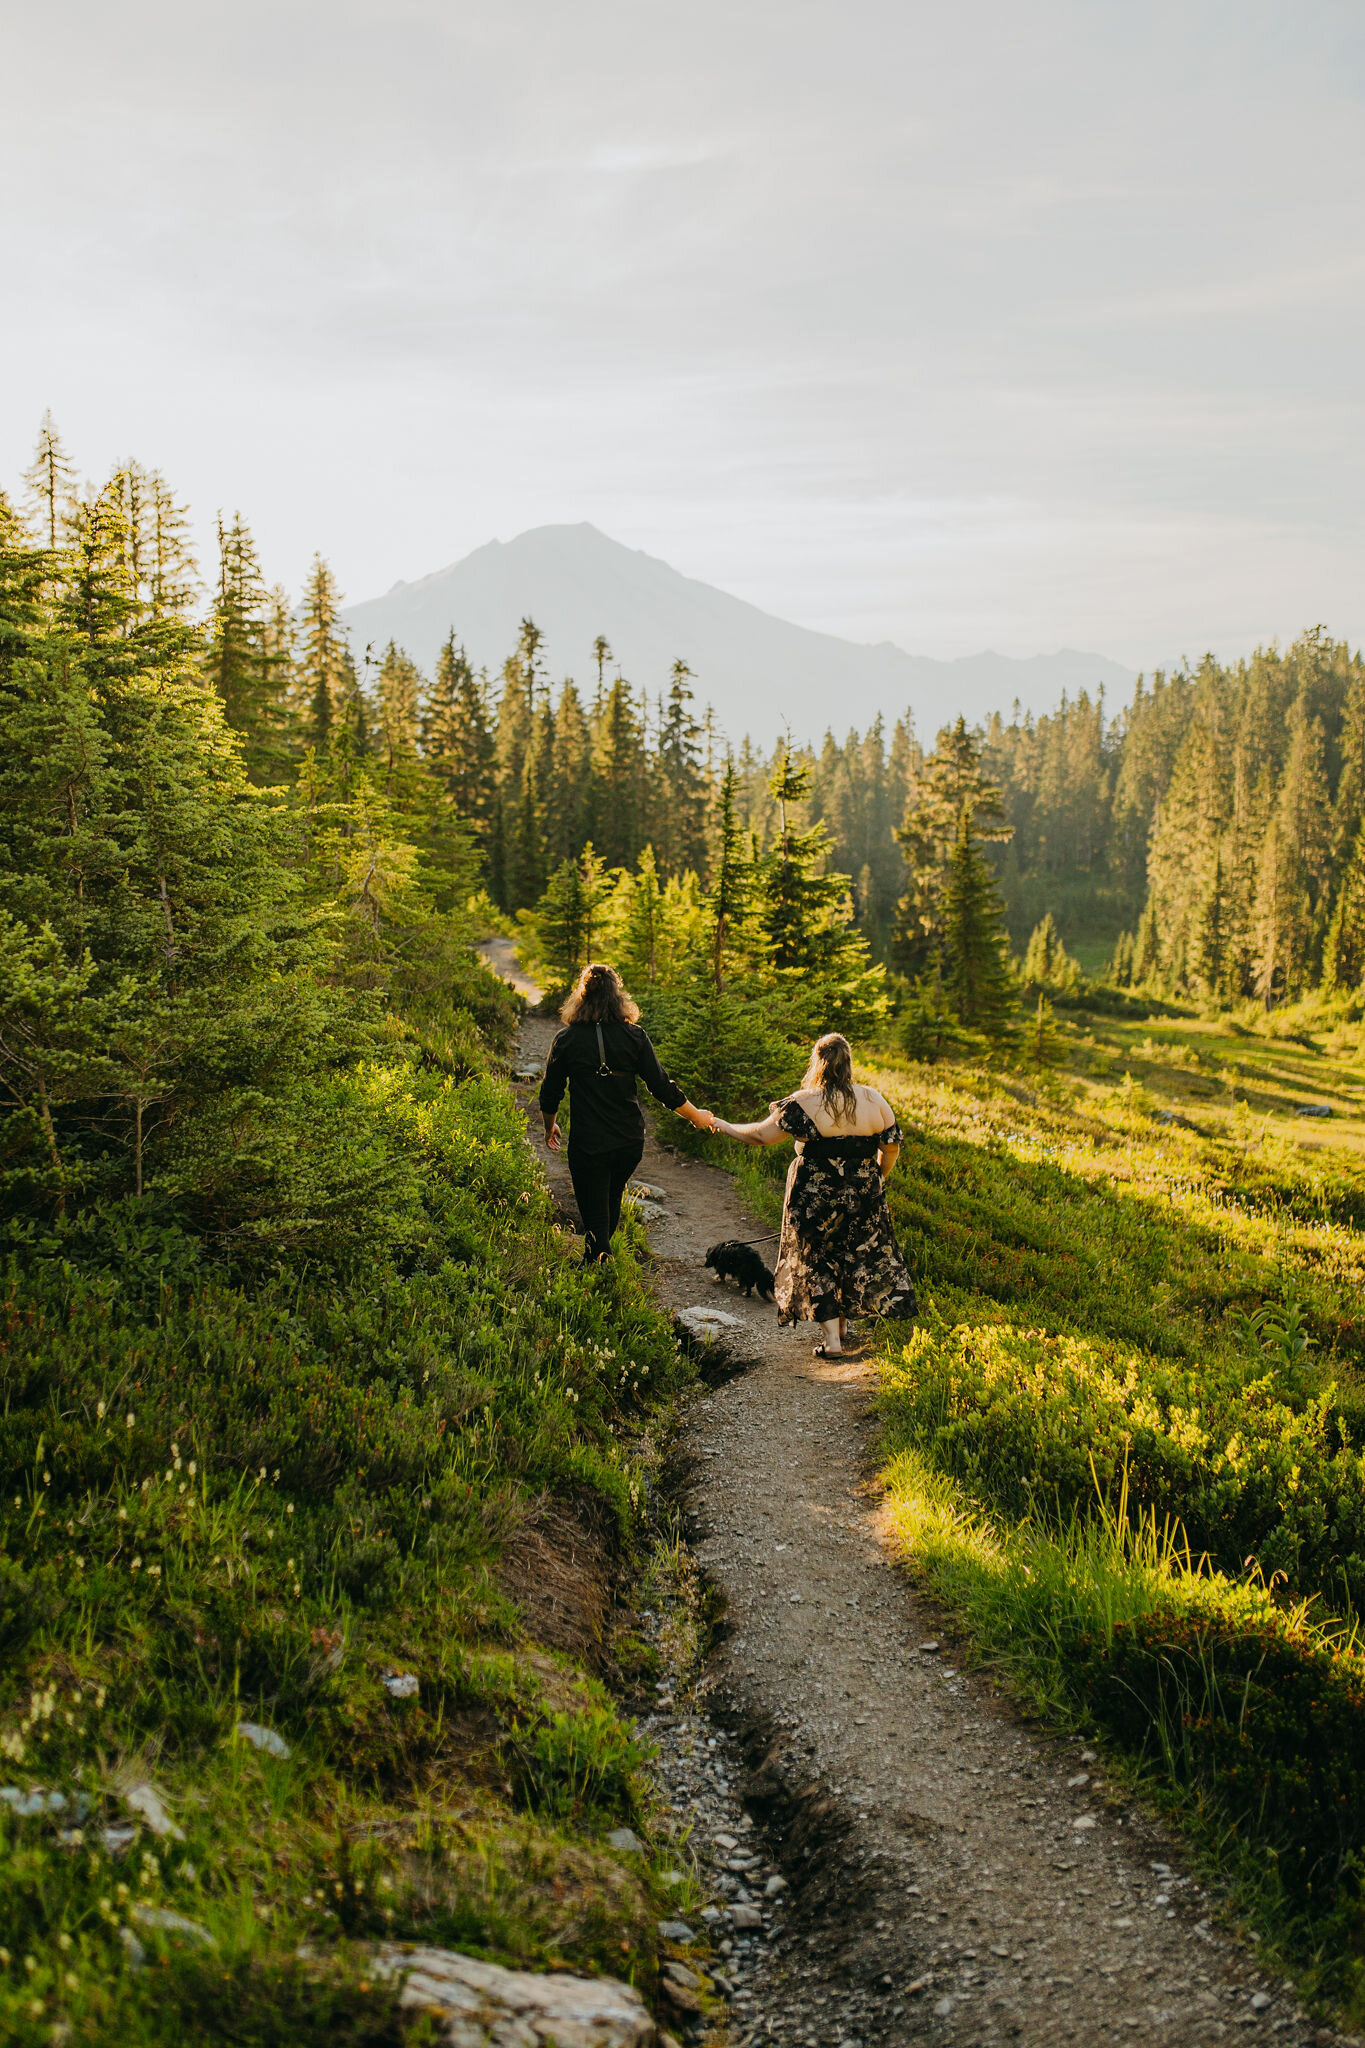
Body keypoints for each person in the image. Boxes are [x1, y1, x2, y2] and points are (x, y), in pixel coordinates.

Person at [710, 1031, 915, 1356]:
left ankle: (833, 1340)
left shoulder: (805, 1100)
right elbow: (890, 1148)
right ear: (848, 1062)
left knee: (816, 1257)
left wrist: (725, 1125)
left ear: (817, 1062)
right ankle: (845, 1328)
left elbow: (762, 1136)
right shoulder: (873, 1099)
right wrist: (877, 1179)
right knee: (853, 1253)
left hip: (815, 1190)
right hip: (863, 1189)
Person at [540, 962, 714, 1265]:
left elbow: (550, 1091)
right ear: (616, 996)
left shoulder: (566, 1040)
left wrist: (550, 1126)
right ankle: (603, 1259)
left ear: (581, 996)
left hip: (588, 1144)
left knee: (595, 1211)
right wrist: (695, 1115)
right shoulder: (635, 1036)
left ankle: (598, 1267)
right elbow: (661, 1086)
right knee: (608, 1197)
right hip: (628, 1141)